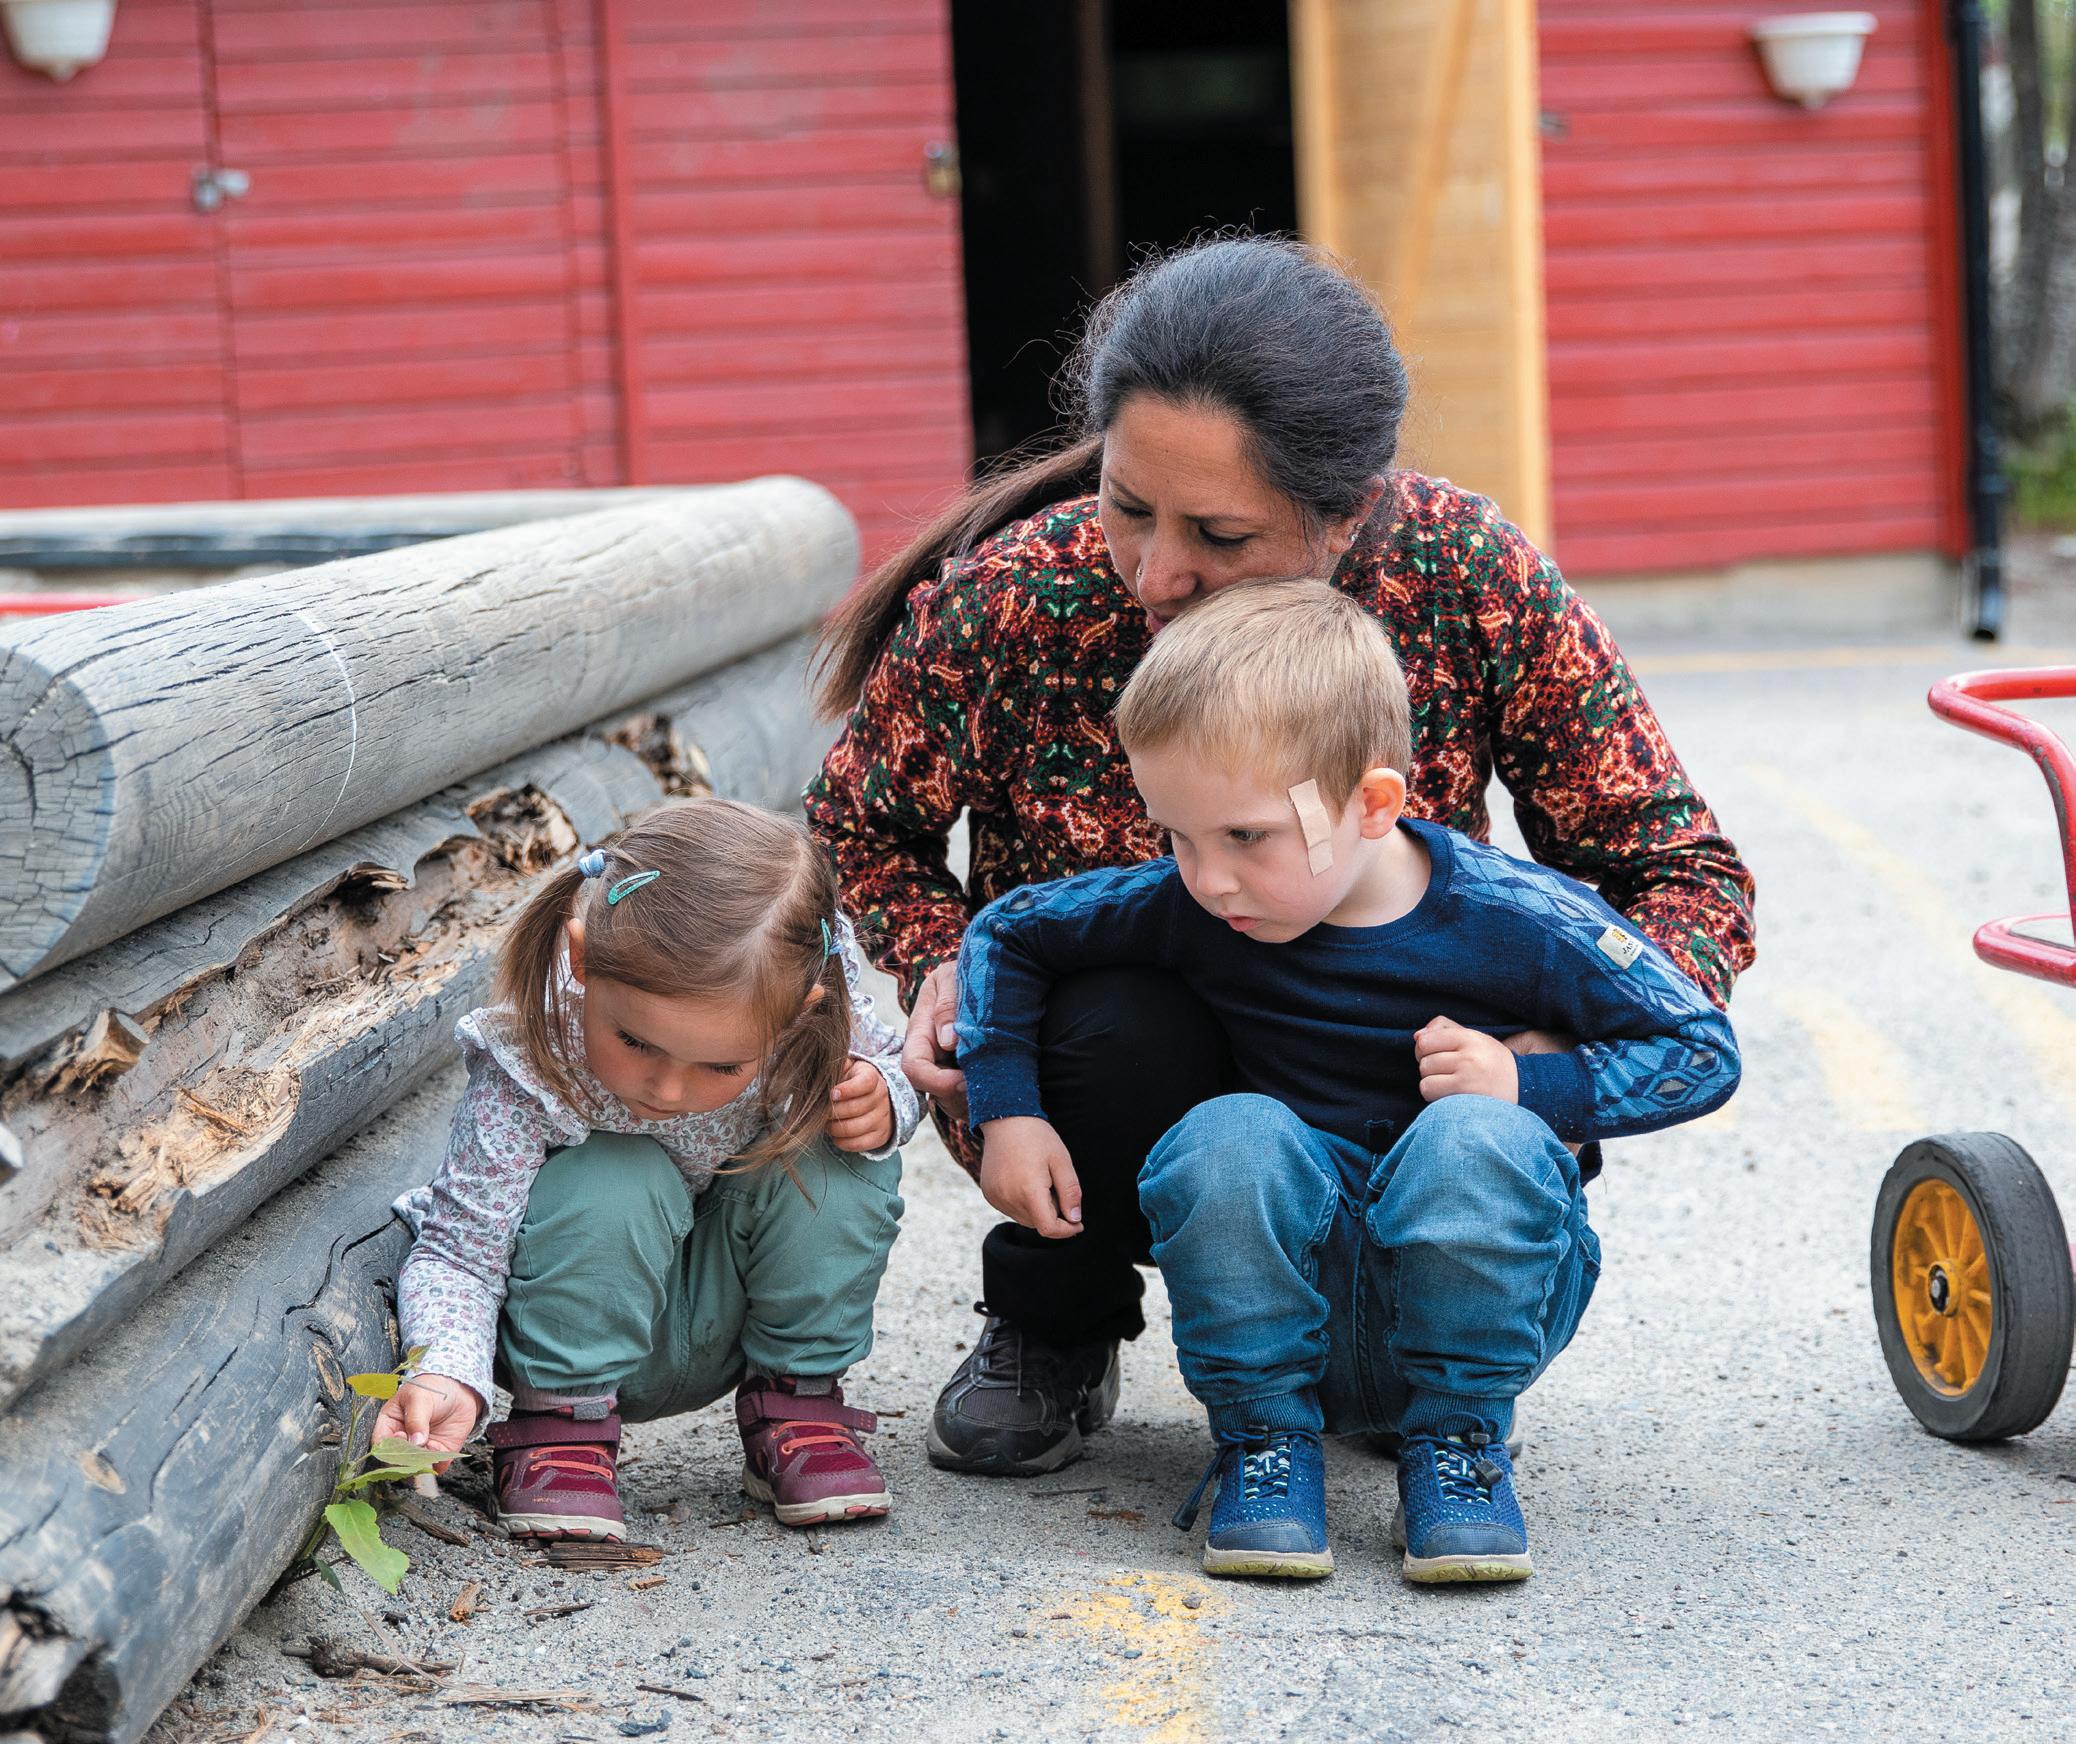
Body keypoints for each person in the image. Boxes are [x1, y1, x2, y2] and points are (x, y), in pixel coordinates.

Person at [804, 234, 1757, 1481]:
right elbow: (858, 820)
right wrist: (943, 968)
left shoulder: (1470, 577)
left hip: (1391, 1069)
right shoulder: (1019, 599)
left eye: (1219, 533)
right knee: (1110, 1019)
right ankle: (1057, 1307)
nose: (1154, 571)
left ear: (1347, 513)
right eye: (1127, 504)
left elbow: (1683, 871)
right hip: (1108, 1048)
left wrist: (1555, 1062)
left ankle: (1388, 1331)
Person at [957, 580, 1741, 1581]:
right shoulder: (1200, 903)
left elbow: (1700, 1048)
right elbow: (1011, 929)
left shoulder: (1518, 918)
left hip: (1482, 1304)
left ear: (1373, 805)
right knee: (1227, 1134)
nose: (1210, 877)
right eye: (1178, 837)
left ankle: (1459, 1443)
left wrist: (1527, 1083)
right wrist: (1008, 1109)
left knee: (1474, 1134)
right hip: (1293, 1308)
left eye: (1247, 836)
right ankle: (1265, 1443)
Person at [373, 798, 917, 1540]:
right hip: (571, 1330)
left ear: (796, 1013)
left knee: (838, 1149)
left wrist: (889, 1101)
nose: (665, 1089)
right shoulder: (534, 1064)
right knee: (613, 1174)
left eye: (721, 1064)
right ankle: (561, 1427)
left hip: (738, 1322)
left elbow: (898, 1067)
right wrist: (445, 1372)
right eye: (635, 1041)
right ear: (582, 957)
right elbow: (460, 1250)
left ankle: (799, 1401)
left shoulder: (807, 1028)